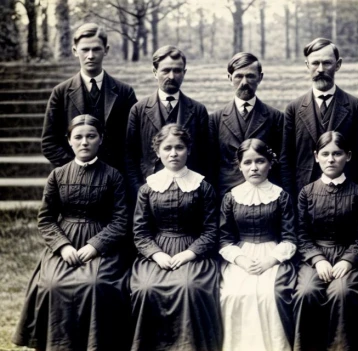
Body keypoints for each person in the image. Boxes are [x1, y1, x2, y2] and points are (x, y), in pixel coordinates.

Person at [13, 115, 131, 350]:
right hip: (65, 240)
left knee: (96, 284)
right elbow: (46, 219)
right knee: (51, 286)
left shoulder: (113, 176)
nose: (84, 142)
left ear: (101, 139)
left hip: (100, 242)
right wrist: (63, 246)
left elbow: (120, 221)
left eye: (91, 136)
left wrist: (95, 245)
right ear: (69, 141)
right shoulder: (57, 175)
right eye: (78, 137)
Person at [129, 124, 221, 351]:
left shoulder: (203, 187)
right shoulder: (148, 188)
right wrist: (156, 254)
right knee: (146, 288)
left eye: (179, 147)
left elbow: (211, 230)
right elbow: (140, 232)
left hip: (193, 251)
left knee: (189, 286)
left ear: (188, 150)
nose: (173, 153)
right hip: (157, 252)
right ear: (157, 152)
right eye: (167, 148)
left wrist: (190, 253)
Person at [293, 131, 358, 351]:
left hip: (348, 259)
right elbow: (301, 234)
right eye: (325, 154)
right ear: (316, 156)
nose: (331, 159)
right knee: (306, 292)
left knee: (343, 293)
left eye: (337, 154)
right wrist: (317, 259)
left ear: (348, 156)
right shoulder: (307, 193)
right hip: (316, 258)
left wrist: (348, 260)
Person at [219, 139, 297, 351]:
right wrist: (241, 260)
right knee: (232, 294)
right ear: (240, 165)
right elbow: (225, 238)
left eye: (260, 161)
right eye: (248, 162)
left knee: (268, 294)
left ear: (270, 163)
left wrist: (269, 261)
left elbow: (290, 237)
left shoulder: (281, 196)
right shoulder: (231, 197)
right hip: (241, 256)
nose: (254, 167)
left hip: (273, 255)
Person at [281, 37, 358, 197]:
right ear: (307, 65)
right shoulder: (293, 109)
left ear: (338, 65)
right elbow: (287, 161)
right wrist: (292, 201)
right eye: (315, 63)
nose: (320, 69)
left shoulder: (356, 107)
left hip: (346, 196)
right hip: (305, 196)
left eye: (327, 63)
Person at [41, 23, 137, 173]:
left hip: (114, 179)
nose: (90, 56)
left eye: (96, 49)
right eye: (85, 49)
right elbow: (49, 143)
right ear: (75, 51)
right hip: (74, 180)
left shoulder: (124, 92)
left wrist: (115, 173)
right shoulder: (61, 93)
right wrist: (76, 168)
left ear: (106, 50)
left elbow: (133, 140)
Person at [126, 45, 210, 198]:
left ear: (184, 73)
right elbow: (130, 156)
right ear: (155, 72)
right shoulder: (139, 110)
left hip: (189, 192)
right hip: (150, 191)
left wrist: (196, 190)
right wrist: (140, 189)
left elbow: (206, 157)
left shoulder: (198, 111)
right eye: (165, 70)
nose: (171, 76)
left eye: (177, 71)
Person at [208, 52, 283, 198]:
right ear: (230, 78)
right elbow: (211, 165)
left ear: (260, 78)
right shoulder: (215, 119)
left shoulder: (276, 117)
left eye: (250, 76)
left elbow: (282, 162)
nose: (244, 82)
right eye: (238, 76)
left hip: (266, 195)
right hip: (228, 194)